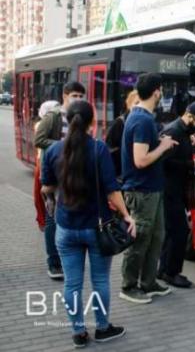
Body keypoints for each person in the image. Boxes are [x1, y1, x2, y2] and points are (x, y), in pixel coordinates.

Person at [40, 100, 136, 348]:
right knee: (100, 281)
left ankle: (79, 333)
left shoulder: (53, 151)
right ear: (92, 122)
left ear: (67, 120)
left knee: (72, 284)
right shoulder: (98, 149)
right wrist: (127, 216)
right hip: (97, 227)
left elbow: (46, 186)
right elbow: (112, 191)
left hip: (66, 228)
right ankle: (103, 328)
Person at [120, 73, 178, 304]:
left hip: (151, 189)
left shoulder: (141, 117)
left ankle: (148, 281)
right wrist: (163, 146)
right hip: (142, 191)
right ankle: (128, 286)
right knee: (141, 239)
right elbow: (140, 160)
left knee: (156, 237)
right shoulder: (142, 120)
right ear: (156, 91)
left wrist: (162, 143)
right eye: (161, 89)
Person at [34, 81, 86, 280]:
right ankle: (53, 263)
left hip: (74, 174)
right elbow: (39, 140)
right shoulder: (54, 116)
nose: (78, 100)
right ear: (65, 96)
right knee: (52, 218)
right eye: (75, 95)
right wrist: (63, 146)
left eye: (81, 96)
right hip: (55, 173)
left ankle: (67, 259)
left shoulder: (80, 117)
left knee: (69, 217)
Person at [157, 101, 195, 288]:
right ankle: (172, 272)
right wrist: (191, 165)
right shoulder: (174, 132)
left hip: (175, 188)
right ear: (189, 116)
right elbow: (164, 162)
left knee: (173, 231)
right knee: (180, 231)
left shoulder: (183, 131)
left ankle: (163, 269)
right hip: (170, 189)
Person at [33, 101, 60, 234]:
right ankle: (44, 221)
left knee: (47, 198)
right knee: (45, 197)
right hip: (43, 165)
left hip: (44, 165)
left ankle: (45, 221)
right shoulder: (43, 123)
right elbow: (39, 142)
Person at [105, 90, 139, 179]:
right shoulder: (120, 123)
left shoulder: (147, 122)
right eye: (136, 103)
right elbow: (110, 149)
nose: (140, 107)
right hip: (121, 174)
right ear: (129, 104)